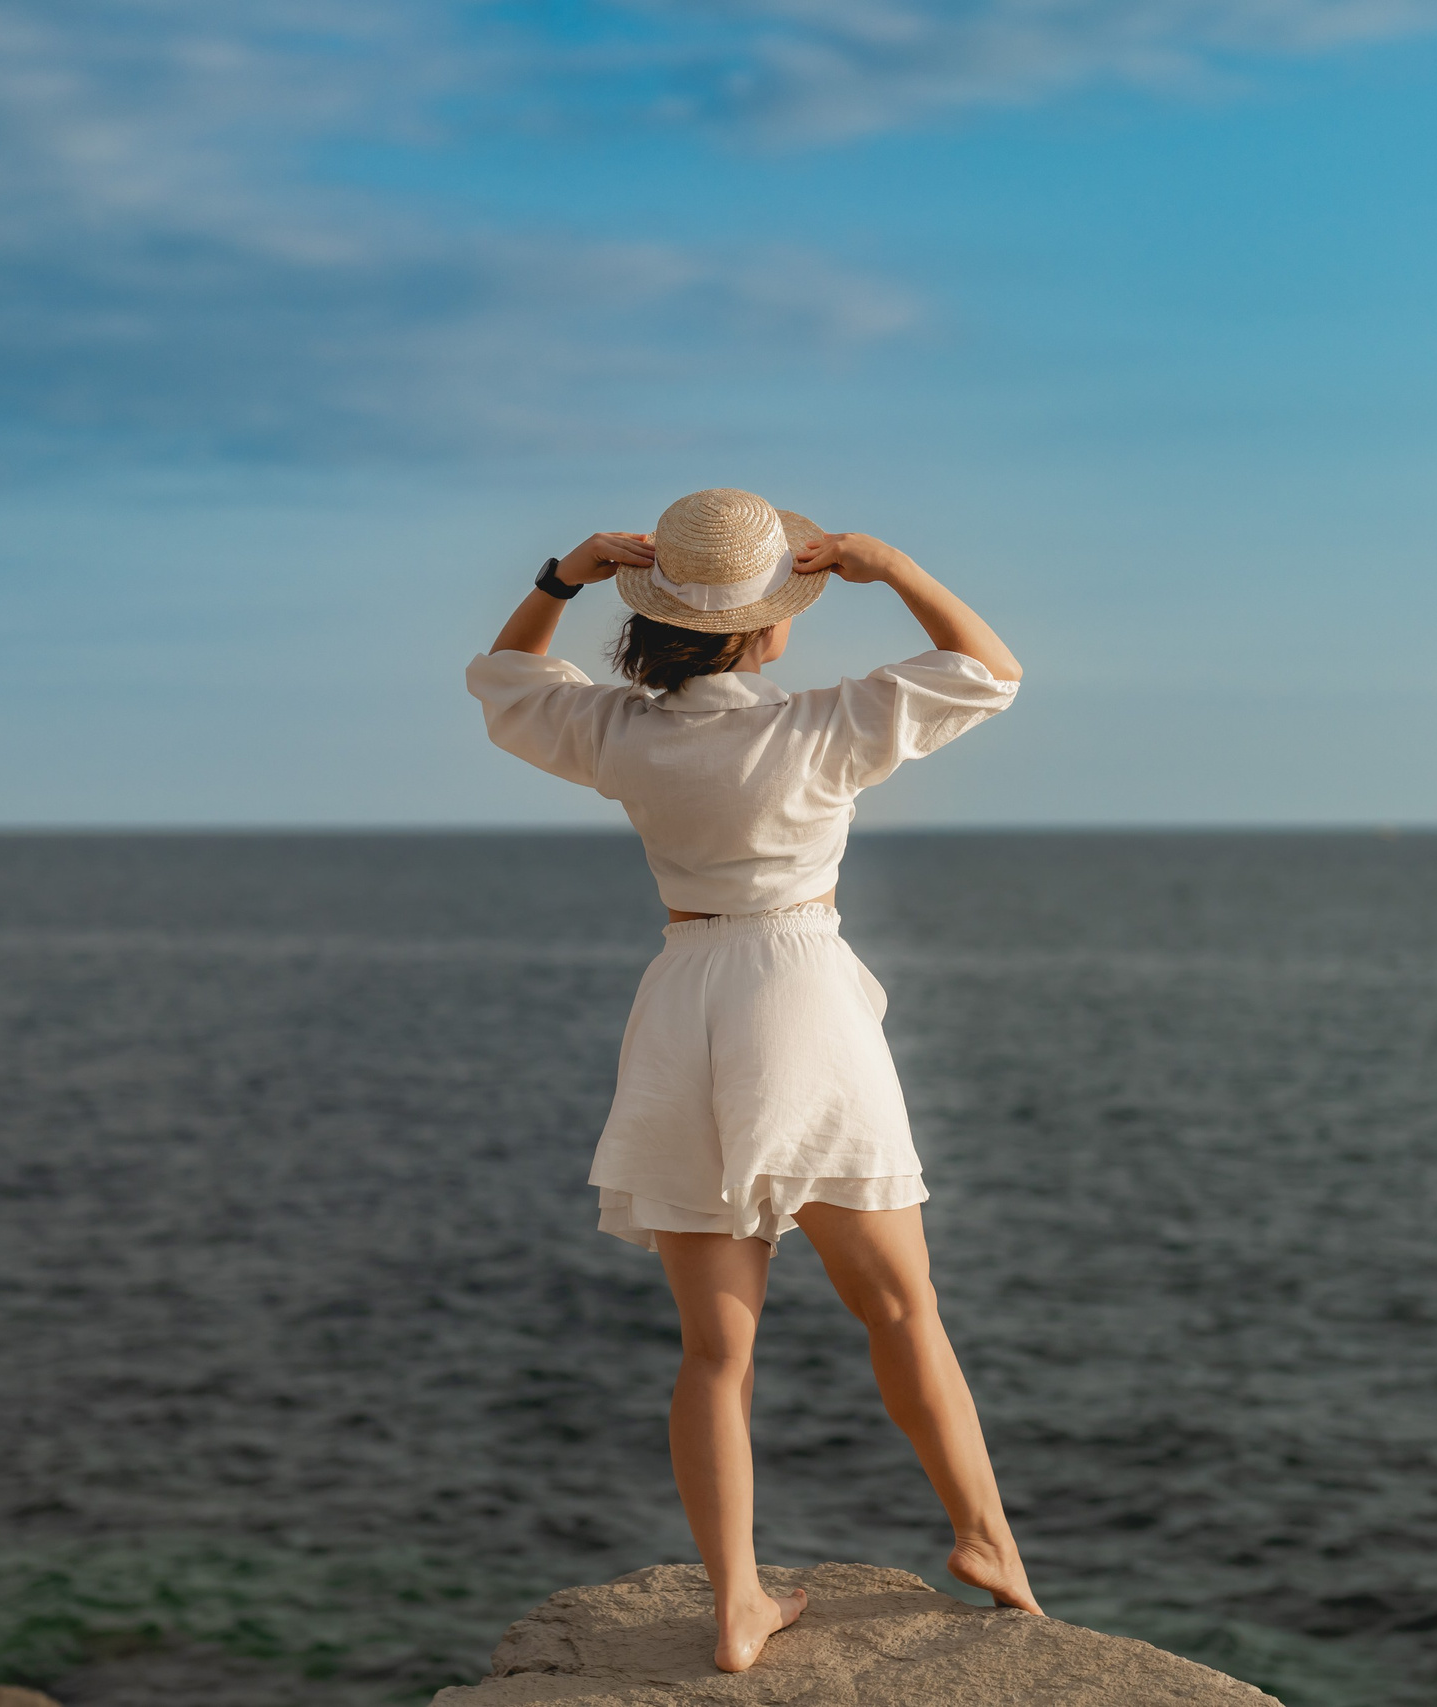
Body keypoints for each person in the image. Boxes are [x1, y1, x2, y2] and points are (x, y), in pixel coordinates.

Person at [465, 487, 1041, 1673]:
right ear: (767, 624)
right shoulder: (826, 726)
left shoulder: (621, 735)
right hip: (801, 1000)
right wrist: (892, 564)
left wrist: (562, 577)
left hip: (686, 1004)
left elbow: (506, 678)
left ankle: (735, 1603)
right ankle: (986, 1542)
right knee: (901, 1310)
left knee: (714, 1353)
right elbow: (991, 671)